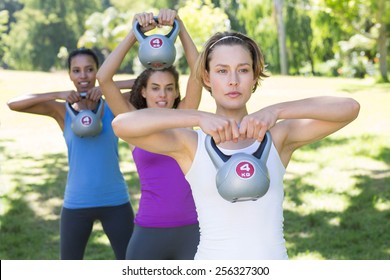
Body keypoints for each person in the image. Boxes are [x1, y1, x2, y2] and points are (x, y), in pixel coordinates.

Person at [111, 31, 360, 260]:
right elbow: (122, 124)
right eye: (222, 71)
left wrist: (277, 110)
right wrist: (198, 117)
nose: (233, 81)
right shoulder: (191, 144)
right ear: (207, 77)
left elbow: (349, 108)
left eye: (243, 70)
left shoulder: (278, 138)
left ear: (254, 76)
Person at [7, 47, 135, 260]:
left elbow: (146, 80)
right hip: (77, 203)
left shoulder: (114, 103)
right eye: (76, 70)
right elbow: (13, 103)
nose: (83, 76)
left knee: (133, 265)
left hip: (115, 201)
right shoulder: (61, 110)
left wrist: (107, 86)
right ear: (69, 75)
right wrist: (57, 95)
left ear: (97, 72)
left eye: (89, 69)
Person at [96, 9, 202, 260]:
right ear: (143, 91)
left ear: (177, 93)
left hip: (193, 229)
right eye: (155, 88)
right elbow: (103, 78)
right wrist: (134, 34)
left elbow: (198, 70)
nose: (162, 95)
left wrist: (181, 27)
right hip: (149, 230)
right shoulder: (133, 122)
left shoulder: (186, 116)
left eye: (169, 88)